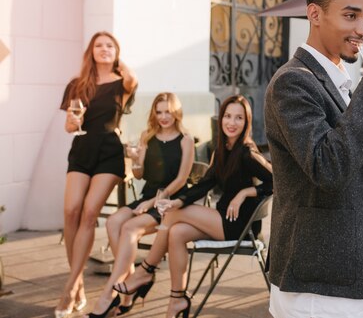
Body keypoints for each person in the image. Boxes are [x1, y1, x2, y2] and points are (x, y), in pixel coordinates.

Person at [264, 0, 363, 318]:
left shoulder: (340, 80)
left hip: (344, 280)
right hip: (317, 288)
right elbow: (329, 168)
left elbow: (359, 164)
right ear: (314, 14)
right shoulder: (293, 82)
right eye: (350, 15)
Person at [114, 94, 273, 318]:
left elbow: (277, 180)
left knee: (173, 213)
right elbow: (204, 185)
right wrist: (175, 200)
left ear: (246, 122)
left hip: (240, 226)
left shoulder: (247, 153)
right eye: (227, 116)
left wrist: (246, 193)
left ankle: (145, 271)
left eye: (238, 118)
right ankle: (177, 299)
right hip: (222, 218)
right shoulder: (223, 150)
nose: (231, 122)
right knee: (177, 232)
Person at [82, 92, 194, 317]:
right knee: (114, 222)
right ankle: (130, 286)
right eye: (159, 111)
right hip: (148, 195)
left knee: (129, 228)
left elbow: (181, 180)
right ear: (154, 113)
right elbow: (140, 175)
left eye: (168, 112)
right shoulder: (147, 136)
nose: (163, 117)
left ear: (176, 113)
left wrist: (153, 202)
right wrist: (136, 162)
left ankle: (109, 295)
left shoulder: (186, 140)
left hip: (169, 203)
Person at [55, 31, 138, 318]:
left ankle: (69, 289)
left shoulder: (123, 83)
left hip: (109, 151)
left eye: (110, 45)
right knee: (71, 211)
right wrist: (71, 120)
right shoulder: (77, 85)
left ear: (117, 51)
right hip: (82, 146)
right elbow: (69, 127)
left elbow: (132, 77)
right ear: (89, 51)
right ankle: (77, 283)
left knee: (90, 212)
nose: (104, 49)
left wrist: (116, 61)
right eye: (98, 46)